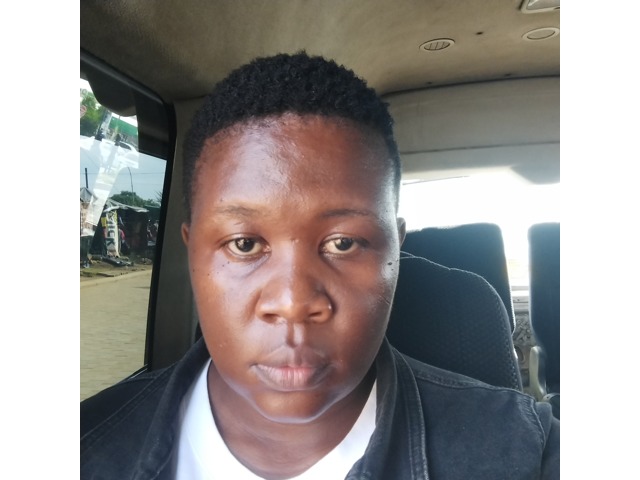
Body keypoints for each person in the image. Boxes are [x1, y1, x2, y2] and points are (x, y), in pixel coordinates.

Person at [80, 52, 559, 479]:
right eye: (244, 244)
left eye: (344, 243)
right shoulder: (81, 450)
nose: (293, 302)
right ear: (191, 252)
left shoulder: (526, 453)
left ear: (396, 250)